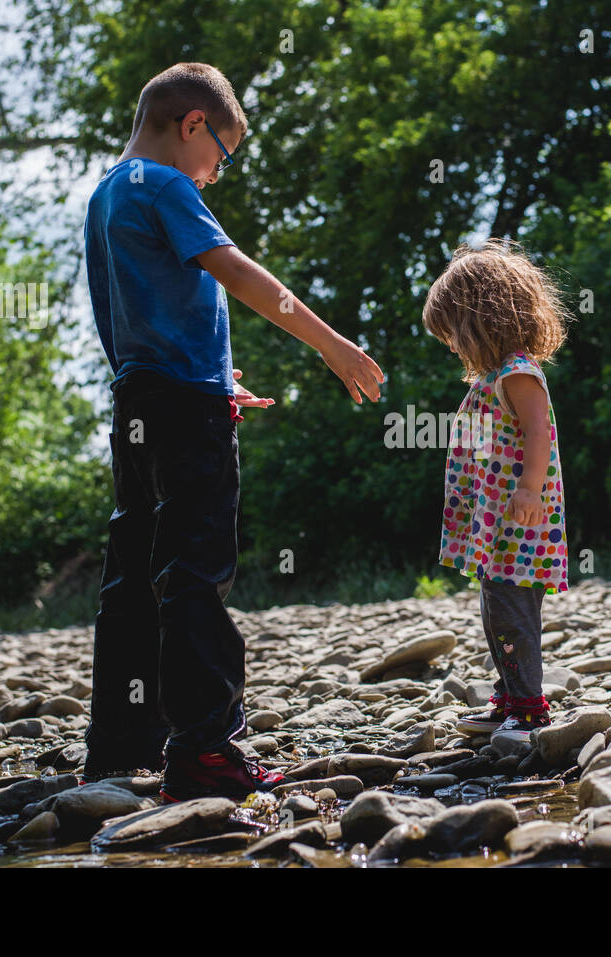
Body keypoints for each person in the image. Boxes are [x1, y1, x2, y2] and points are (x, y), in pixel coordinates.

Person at [81, 62, 384, 802]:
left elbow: (136, 317)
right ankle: (205, 746)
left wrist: (216, 378)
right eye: (221, 153)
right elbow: (239, 274)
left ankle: (121, 746)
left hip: (140, 402)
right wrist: (331, 344)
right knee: (196, 567)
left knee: (134, 572)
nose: (217, 173)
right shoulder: (168, 184)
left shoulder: (105, 194)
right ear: (192, 126)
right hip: (185, 408)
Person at [422, 239, 571, 753]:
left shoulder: (518, 374)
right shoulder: (490, 378)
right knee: (495, 610)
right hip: (494, 524)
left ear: (478, 323)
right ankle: (509, 698)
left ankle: (529, 709)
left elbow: (538, 433)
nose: (451, 346)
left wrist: (531, 487)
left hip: (519, 523)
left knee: (512, 613)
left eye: (452, 335)